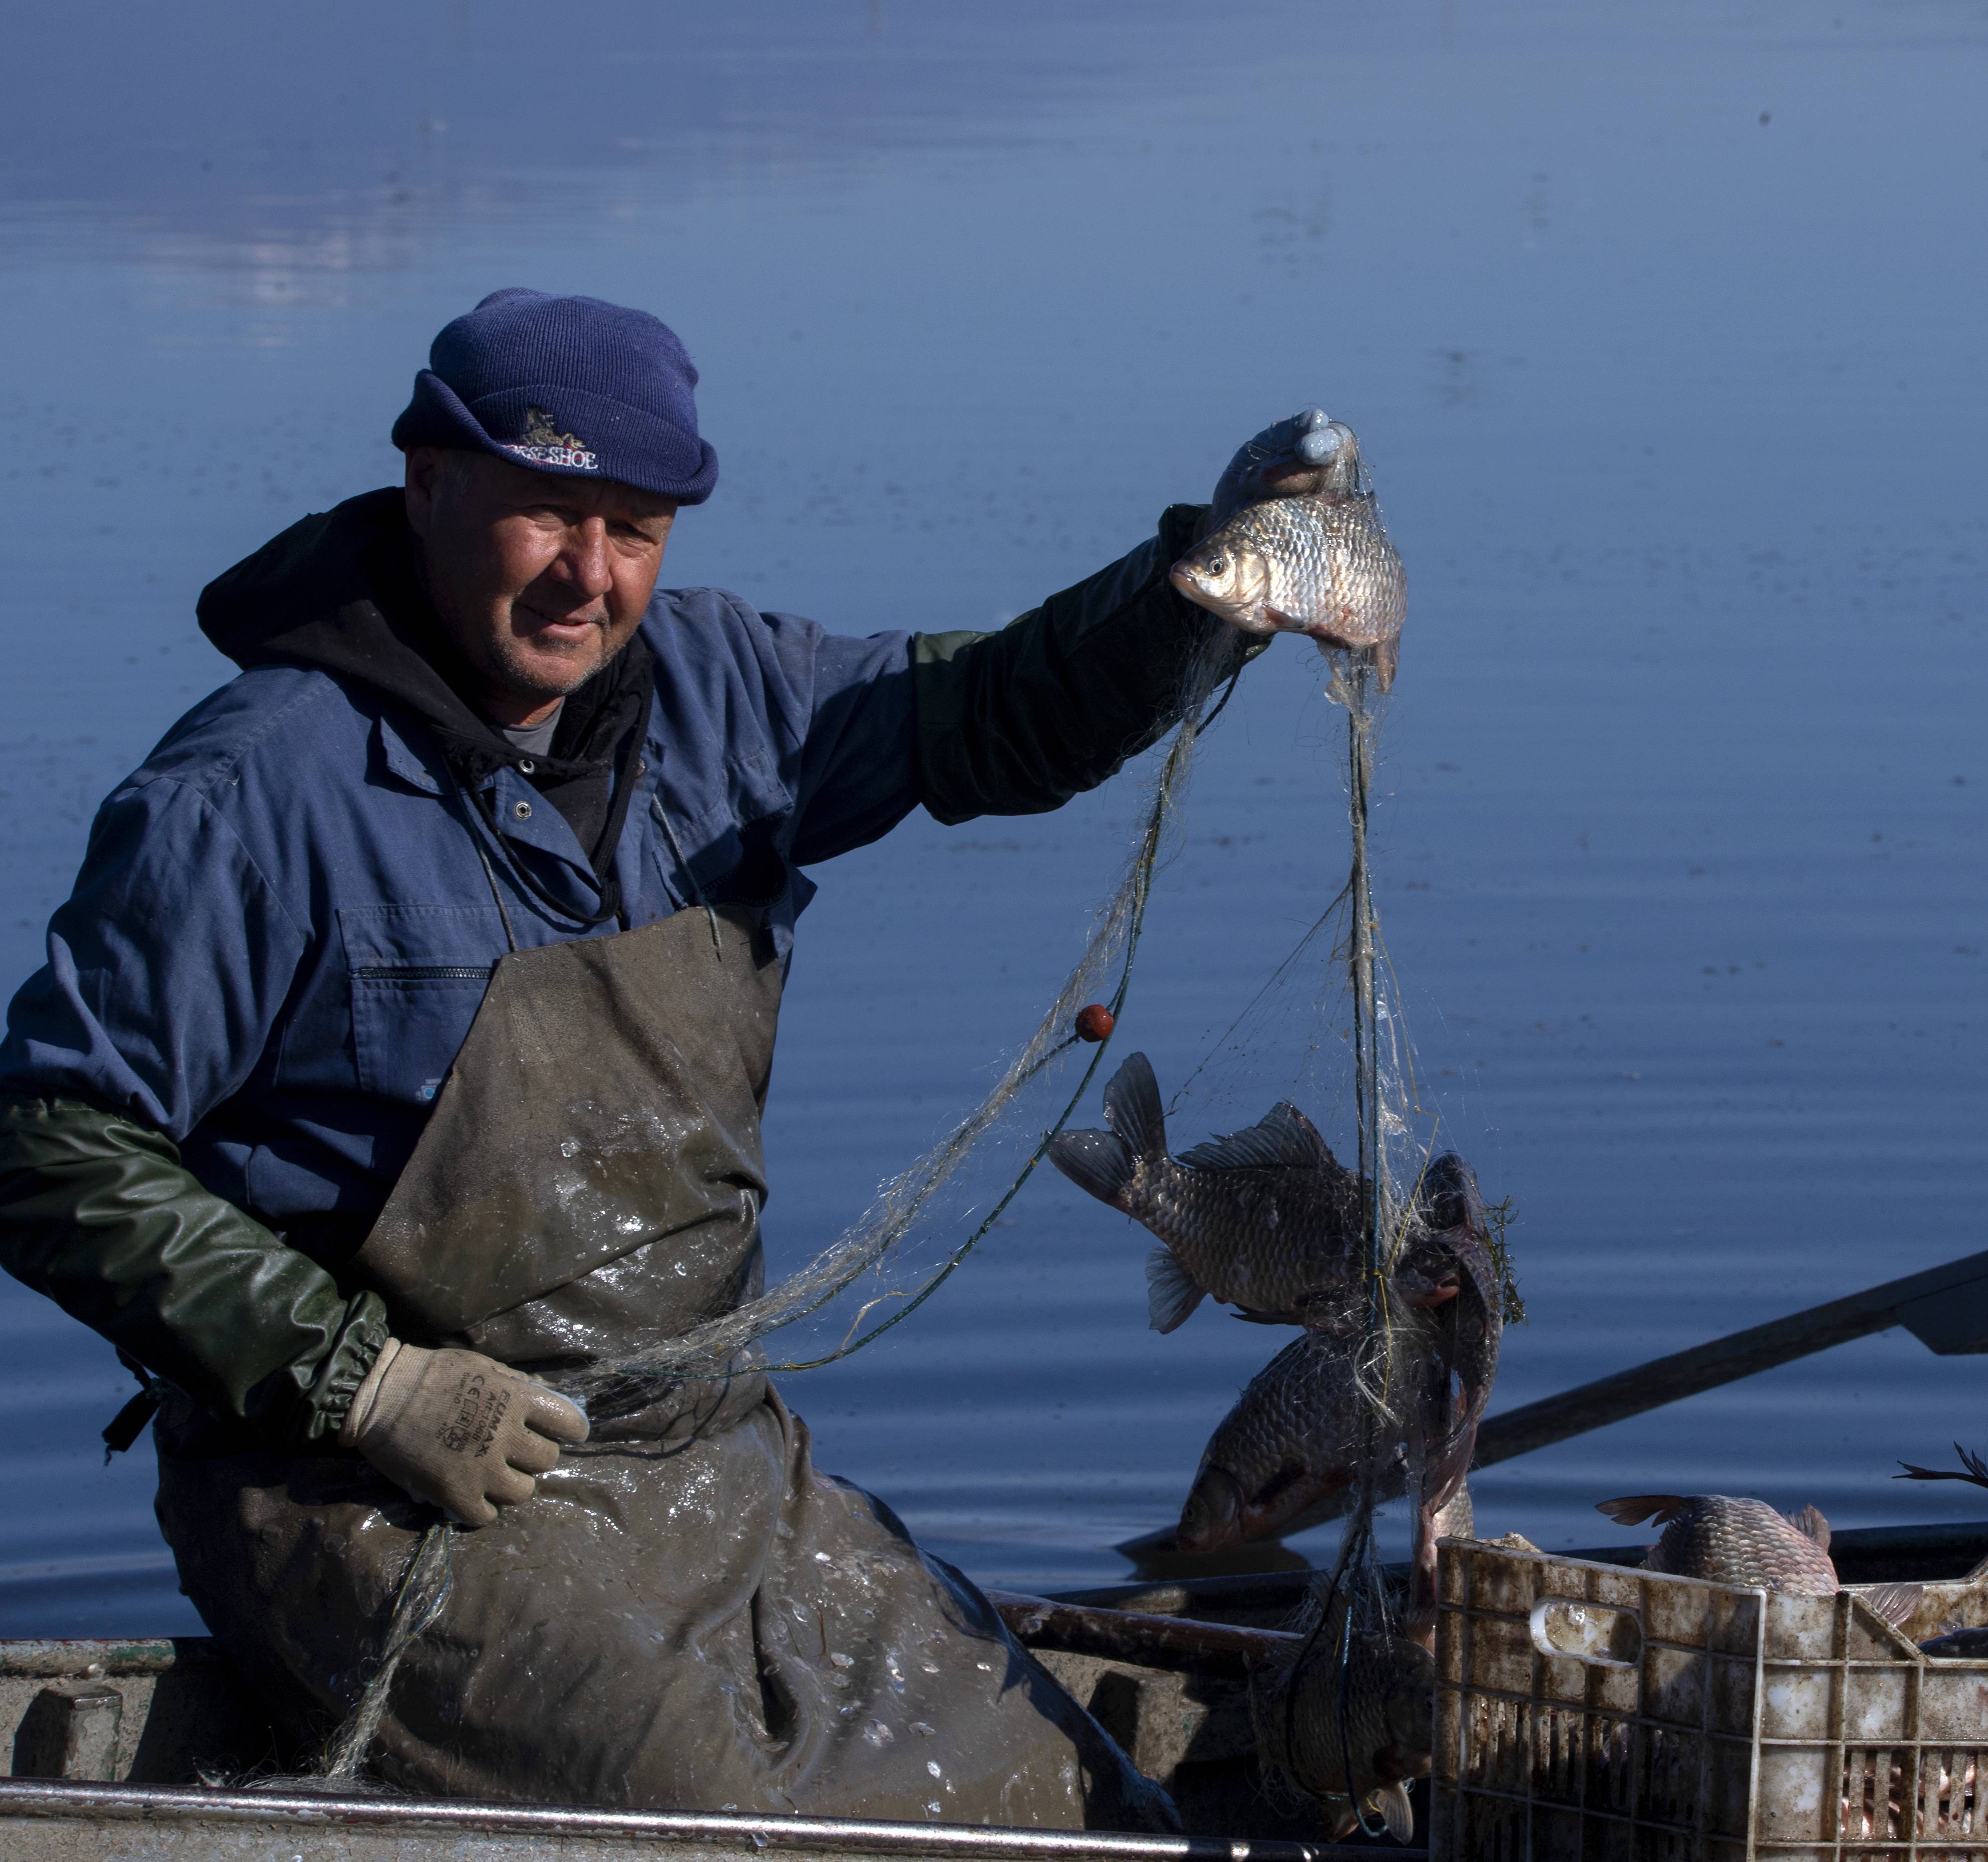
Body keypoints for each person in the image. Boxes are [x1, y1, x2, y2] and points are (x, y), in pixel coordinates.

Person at [0, 287, 1341, 1825]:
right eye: (547, 516)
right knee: (719, 1830)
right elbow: (49, 1137)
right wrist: (365, 1383)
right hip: (385, 1501)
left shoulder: (734, 698)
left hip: (713, 1464)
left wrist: (1207, 586)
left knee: (1063, 1804)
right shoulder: (248, 797)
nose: (591, 576)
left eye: (634, 528)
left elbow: (999, 722)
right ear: (431, 482)